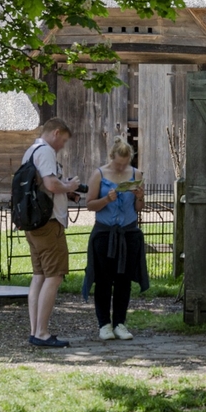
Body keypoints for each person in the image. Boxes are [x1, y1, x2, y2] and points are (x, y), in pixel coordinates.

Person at [83, 135, 149, 340]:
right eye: (118, 164)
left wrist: (139, 197)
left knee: (124, 280)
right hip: (105, 233)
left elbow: (139, 208)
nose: (121, 168)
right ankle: (104, 324)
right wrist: (106, 199)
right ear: (111, 157)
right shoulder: (99, 174)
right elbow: (89, 204)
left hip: (128, 233)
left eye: (125, 164)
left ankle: (120, 323)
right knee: (103, 280)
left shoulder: (136, 174)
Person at [22, 117, 81, 348]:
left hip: (33, 224)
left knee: (39, 276)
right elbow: (51, 185)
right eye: (63, 140)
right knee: (54, 276)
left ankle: (36, 330)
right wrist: (69, 187)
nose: (63, 146)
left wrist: (65, 191)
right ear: (56, 133)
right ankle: (42, 333)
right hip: (49, 223)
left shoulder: (31, 150)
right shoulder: (45, 151)